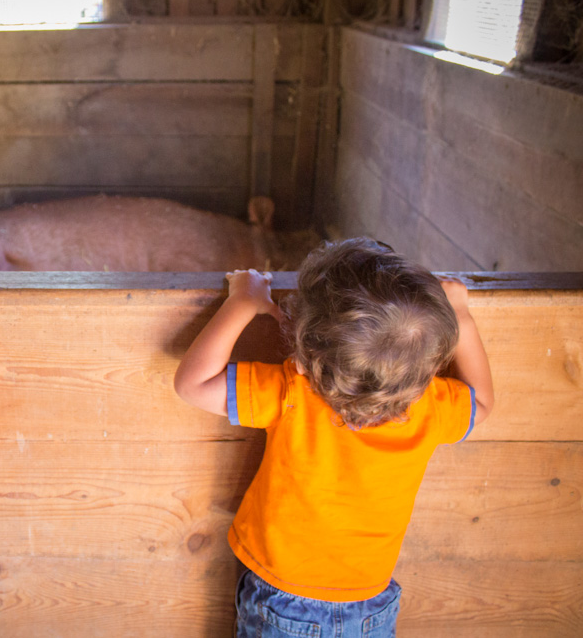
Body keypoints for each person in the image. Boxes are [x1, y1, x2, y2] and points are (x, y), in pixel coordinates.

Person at [174, 238, 493, 638]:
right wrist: (462, 317)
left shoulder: (292, 393)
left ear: (302, 358)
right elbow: (482, 403)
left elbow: (192, 384)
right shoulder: (432, 407)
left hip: (283, 600)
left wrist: (243, 301)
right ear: (430, 365)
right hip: (372, 603)